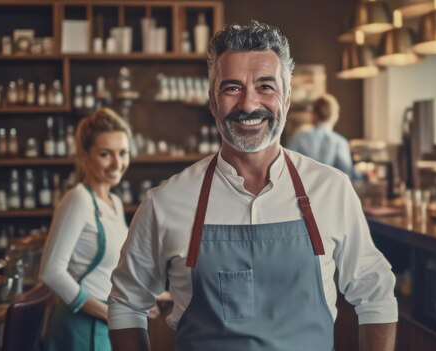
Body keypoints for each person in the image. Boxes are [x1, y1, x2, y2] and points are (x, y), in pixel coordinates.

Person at [108, 21, 397, 351]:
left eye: (265, 87)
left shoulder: (332, 189)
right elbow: (126, 304)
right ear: (212, 101)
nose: (248, 105)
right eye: (232, 88)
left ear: (286, 99)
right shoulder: (166, 201)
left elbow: (375, 294)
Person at [39, 108, 131, 351]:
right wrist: (108, 313)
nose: (117, 163)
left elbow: (109, 269)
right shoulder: (78, 200)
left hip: (104, 321)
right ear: (84, 155)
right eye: (105, 154)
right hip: (79, 325)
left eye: (123, 153)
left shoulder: (114, 203)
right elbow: (50, 272)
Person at [288, 93, 355, 176]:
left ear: (313, 114)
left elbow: (287, 166)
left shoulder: (299, 137)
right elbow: (347, 173)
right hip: (330, 187)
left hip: (302, 187)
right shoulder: (340, 142)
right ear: (335, 116)